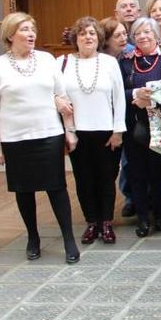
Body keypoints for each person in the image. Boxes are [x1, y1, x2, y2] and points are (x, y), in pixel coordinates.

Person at [0, 12, 80, 264]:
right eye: (25, 29)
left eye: (32, 29)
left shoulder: (47, 60)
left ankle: (69, 239)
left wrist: (70, 130)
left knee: (56, 187)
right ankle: (33, 237)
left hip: (49, 135)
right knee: (23, 191)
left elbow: (62, 96)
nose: (31, 34)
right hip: (15, 139)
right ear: (11, 35)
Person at [58, 17, 126, 245]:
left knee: (106, 179)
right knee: (83, 179)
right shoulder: (62, 63)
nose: (88, 37)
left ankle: (106, 222)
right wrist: (68, 131)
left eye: (92, 34)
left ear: (99, 38)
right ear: (75, 38)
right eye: (83, 34)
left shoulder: (109, 62)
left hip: (107, 131)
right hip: (77, 133)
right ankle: (91, 222)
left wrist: (118, 130)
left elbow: (119, 98)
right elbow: (55, 95)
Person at [120, 17, 161, 237]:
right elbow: (117, 92)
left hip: (159, 123)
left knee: (156, 172)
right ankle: (142, 218)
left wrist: (151, 98)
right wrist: (135, 94)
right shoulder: (126, 62)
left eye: (148, 32)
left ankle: (159, 214)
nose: (143, 36)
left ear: (157, 35)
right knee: (136, 172)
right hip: (133, 124)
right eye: (138, 33)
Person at [100, 17, 134, 218]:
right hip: (104, 119)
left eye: (124, 34)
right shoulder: (99, 60)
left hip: (128, 114)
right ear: (105, 39)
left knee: (129, 161)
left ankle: (134, 199)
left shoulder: (128, 55)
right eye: (117, 35)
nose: (124, 39)